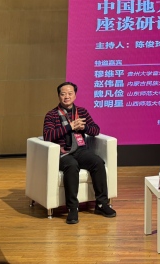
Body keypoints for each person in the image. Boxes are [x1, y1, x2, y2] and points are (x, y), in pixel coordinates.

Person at [42, 82, 116, 224]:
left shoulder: (82, 112)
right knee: (72, 165)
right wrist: (69, 127)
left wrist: (84, 127)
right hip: (62, 154)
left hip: (80, 150)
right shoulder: (51, 115)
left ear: (75, 95)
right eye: (63, 94)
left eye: (70, 93)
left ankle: (101, 204)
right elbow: (48, 136)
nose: (67, 96)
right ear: (59, 96)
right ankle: (72, 208)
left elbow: (96, 130)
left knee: (98, 162)